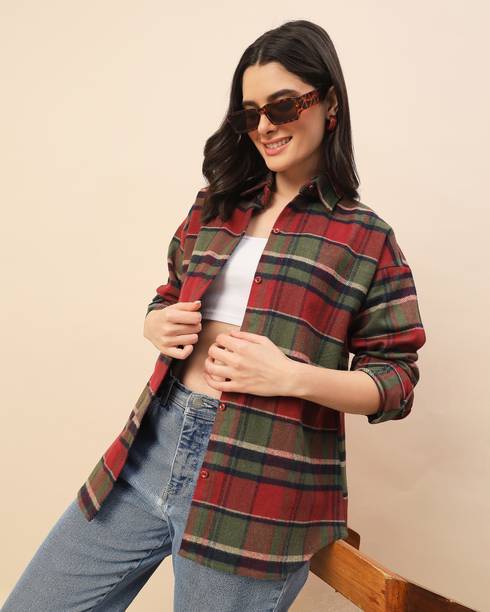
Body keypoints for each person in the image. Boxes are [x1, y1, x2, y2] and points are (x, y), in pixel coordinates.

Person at [2, 19, 426, 612]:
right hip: (153, 445)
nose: (265, 126)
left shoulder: (366, 238)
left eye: (283, 105)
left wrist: (291, 377)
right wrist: (156, 322)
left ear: (329, 103)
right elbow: (170, 292)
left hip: (257, 486)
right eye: (250, 114)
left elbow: (396, 381)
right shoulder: (215, 207)